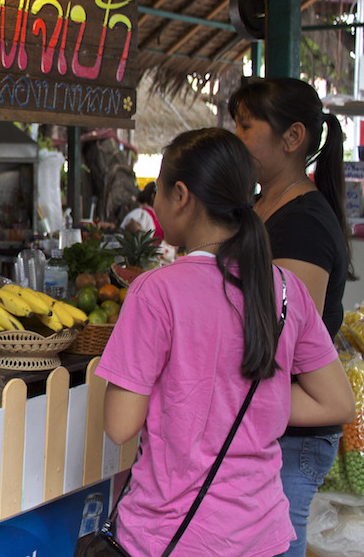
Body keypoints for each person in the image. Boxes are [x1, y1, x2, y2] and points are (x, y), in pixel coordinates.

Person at [96, 128, 354, 556]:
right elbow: (337, 403)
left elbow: (120, 425)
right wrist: (243, 399)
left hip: (171, 535)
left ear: (181, 195)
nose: (154, 202)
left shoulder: (156, 291)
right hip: (261, 534)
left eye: (157, 190)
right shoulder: (287, 290)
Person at [229, 77, 352, 556]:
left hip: (292, 431)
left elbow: (282, 337)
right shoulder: (259, 206)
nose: (234, 138)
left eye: (245, 126)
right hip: (263, 418)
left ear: (292, 137)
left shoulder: (303, 224)